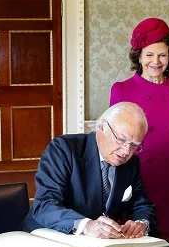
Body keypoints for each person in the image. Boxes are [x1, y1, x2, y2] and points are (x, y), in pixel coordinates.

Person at [110, 17, 169, 240]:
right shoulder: (121, 90)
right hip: (138, 183)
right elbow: (114, 145)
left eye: (162, 55)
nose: (155, 62)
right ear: (138, 56)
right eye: (149, 55)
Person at [22, 102, 157, 239]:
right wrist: (86, 225)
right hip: (47, 238)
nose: (126, 151)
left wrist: (141, 223)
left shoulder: (131, 163)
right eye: (121, 140)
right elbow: (44, 205)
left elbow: (142, 204)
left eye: (134, 145)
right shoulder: (64, 149)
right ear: (103, 127)